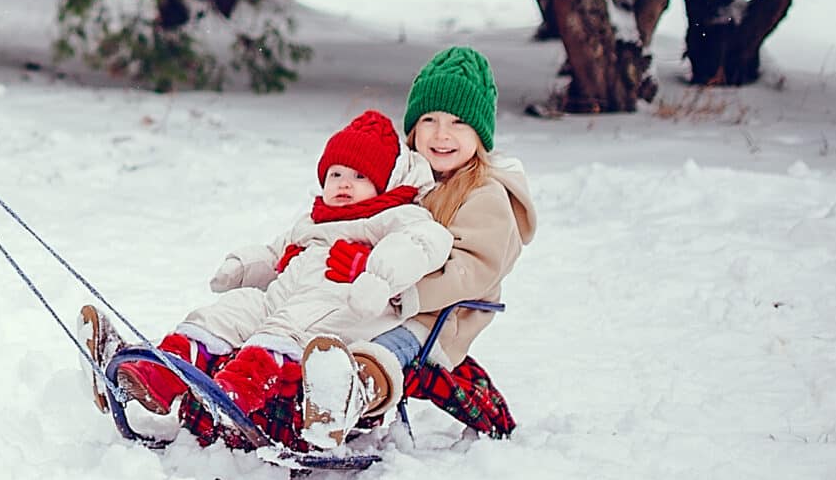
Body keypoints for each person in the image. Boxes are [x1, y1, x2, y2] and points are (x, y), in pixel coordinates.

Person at [83, 111, 451, 449]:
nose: (344, 184)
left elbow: (425, 242)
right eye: (335, 174)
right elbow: (277, 253)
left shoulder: (393, 215)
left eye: (359, 176)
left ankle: (239, 392)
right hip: (285, 297)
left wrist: (380, 274)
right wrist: (244, 266)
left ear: (384, 183)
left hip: (342, 306)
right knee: (230, 312)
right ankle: (158, 376)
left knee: (284, 328)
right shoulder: (312, 221)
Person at [309, 45, 536, 442]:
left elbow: (470, 272)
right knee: (317, 319)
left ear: (480, 135)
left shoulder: (486, 195)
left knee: (383, 347)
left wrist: (401, 291)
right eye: (429, 119)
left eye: (458, 122)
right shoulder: (410, 184)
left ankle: (352, 393)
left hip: (436, 319)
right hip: (380, 299)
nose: (441, 134)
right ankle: (275, 377)